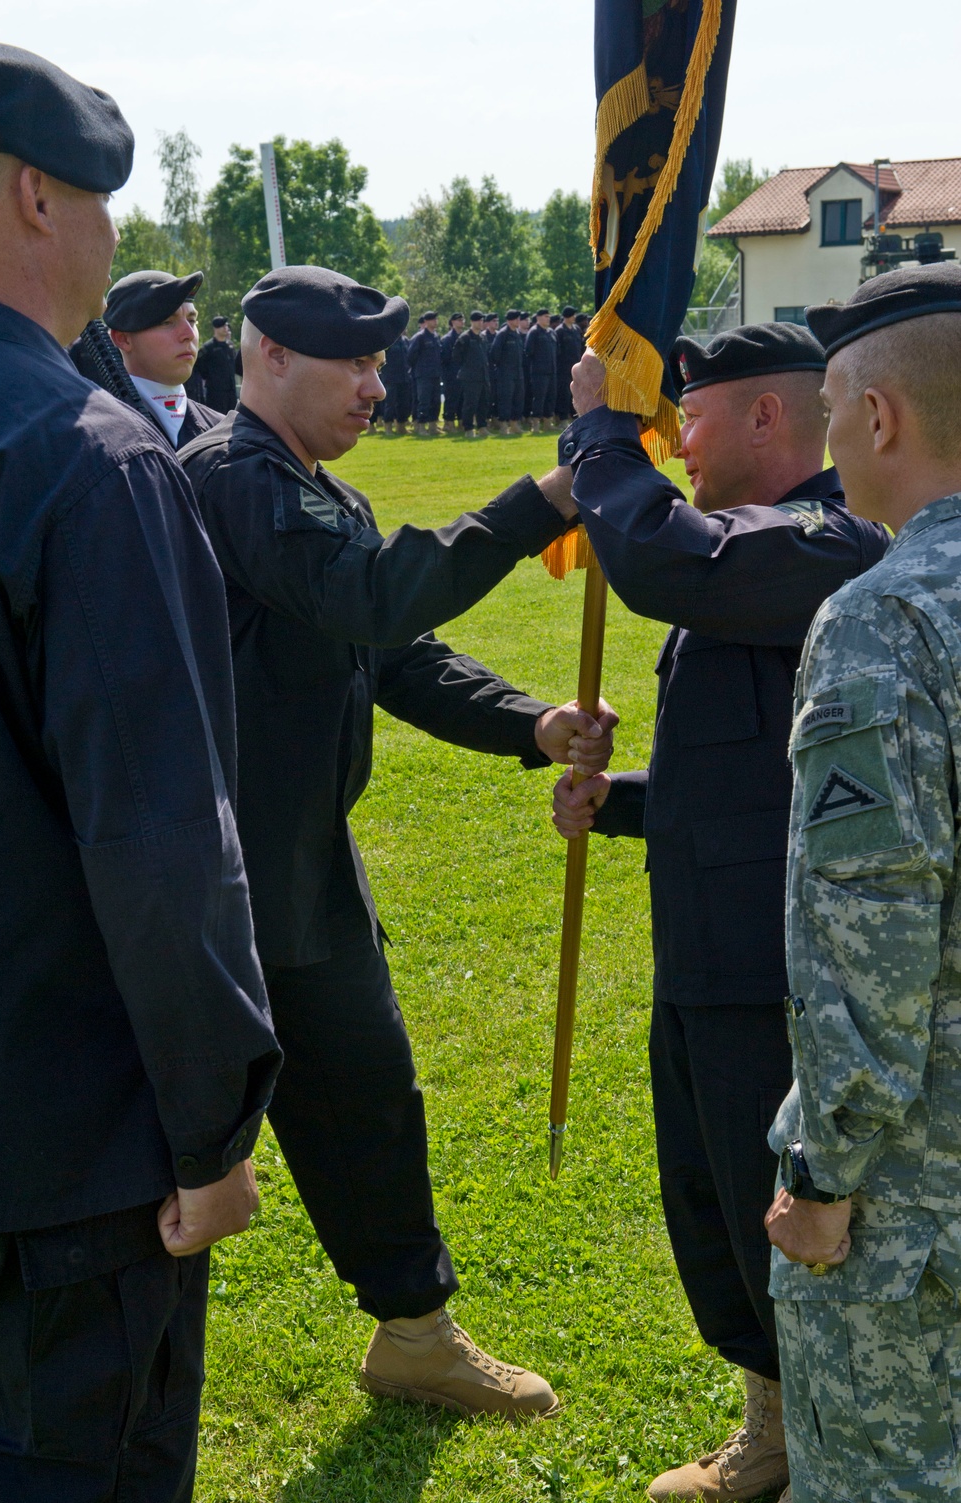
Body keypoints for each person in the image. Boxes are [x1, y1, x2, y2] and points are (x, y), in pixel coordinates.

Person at [179, 264, 618, 1420]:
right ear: (267, 356)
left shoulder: (311, 485)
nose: (379, 387)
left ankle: (414, 1334)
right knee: (167, 1136)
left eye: (383, 363)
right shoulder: (232, 479)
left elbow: (392, 655)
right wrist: (543, 499)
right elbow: (379, 599)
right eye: (355, 364)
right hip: (200, 884)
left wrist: (532, 722)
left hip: (297, 869)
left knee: (365, 1093)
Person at [0, 41, 280, 1503]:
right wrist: (213, 1131)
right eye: (98, 198)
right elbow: (163, 842)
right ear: (39, 197)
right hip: (68, 1161)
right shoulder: (83, 455)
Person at [551, 324, 887, 1502]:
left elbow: (659, 561)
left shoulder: (833, 540)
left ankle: (832, 1440)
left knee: (787, 1216)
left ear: (765, 420)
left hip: (781, 966)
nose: (671, 440)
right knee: (713, 1207)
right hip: (703, 948)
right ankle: (775, 1426)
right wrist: (624, 802)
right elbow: (753, 766)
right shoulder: (749, 547)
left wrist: (599, 429)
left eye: (687, 416)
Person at [762, 265, 961, 1503]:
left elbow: (869, 936)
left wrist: (819, 1176)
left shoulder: (886, 621)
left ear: (879, 417)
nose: (828, 438)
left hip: (919, 1200)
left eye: (831, 407)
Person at [100, 268, 221, 448]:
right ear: (123, 339)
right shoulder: (100, 433)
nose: (188, 334)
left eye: (192, 320)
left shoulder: (220, 430)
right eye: (166, 322)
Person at [451, 309, 491, 438]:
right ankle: (468, 428)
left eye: (482, 320)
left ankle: (482, 427)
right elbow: (456, 357)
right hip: (470, 377)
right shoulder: (465, 337)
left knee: (483, 403)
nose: (481, 323)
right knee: (470, 404)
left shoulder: (483, 337)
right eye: (478, 320)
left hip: (483, 376)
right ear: (472, 322)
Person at [194, 313, 238, 412]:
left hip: (230, 391)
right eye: (222, 326)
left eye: (226, 325)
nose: (225, 328)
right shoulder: (208, 347)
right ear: (216, 328)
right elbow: (198, 366)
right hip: (215, 392)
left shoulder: (230, 346)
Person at [491, 308, 526, 434]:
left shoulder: (516, 334)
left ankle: (514, 424)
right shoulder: (503, 334)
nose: (518, 321)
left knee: (518, 398)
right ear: (510, 320)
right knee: (505, 399)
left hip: (518, 372)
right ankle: (504, 425)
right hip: (505, 373)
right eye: (516, 319)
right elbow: (495, 353)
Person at [407, 310, 441, 435]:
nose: (435, 321)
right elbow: (411, 356)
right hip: (423, 375)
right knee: (423, 400)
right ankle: (421, 426)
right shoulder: (420, 337)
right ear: (426, 322)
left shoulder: (436, 336)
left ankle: (433, 426)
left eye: (436, 319)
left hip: (435, 374)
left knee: (435, 401)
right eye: (432, 319)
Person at [524, 307, 557, 432]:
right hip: (539, 372)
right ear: (538, 318)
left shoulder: (551, 332)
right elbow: (528, 351)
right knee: (539, 397)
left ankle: (548, 423)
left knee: (551, 397)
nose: (548, 319)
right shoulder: (534, 332)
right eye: (545, 316)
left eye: (549, 317)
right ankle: (536, 424)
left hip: (551, 371)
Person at [554, 305, 584, 423]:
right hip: (564, 368)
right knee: (564, 393)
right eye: (572, 315)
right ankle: (563, 418)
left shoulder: (576, 329)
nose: (574, 317)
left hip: (575, 366)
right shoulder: (560, 331)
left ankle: (575, 416)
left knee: (576, 393)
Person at [379, 328, 411, 433]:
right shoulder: (388, 341)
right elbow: (381, 360)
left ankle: (401, 426)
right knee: (390, 403)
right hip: (391, 377)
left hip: (404, 377)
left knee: (404, 403)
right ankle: (388, 426)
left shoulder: (405, 341)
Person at [440, 311, 464, 429]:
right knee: (451, 399)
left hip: (463, 373)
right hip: (451, 374)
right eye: (459, 320)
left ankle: (460, 422)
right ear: (453, 322)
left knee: (462, 399)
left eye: (462, 319)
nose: (461, 322)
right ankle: (448, 423)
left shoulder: (464, 336)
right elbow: (445, 358)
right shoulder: (448, 338)